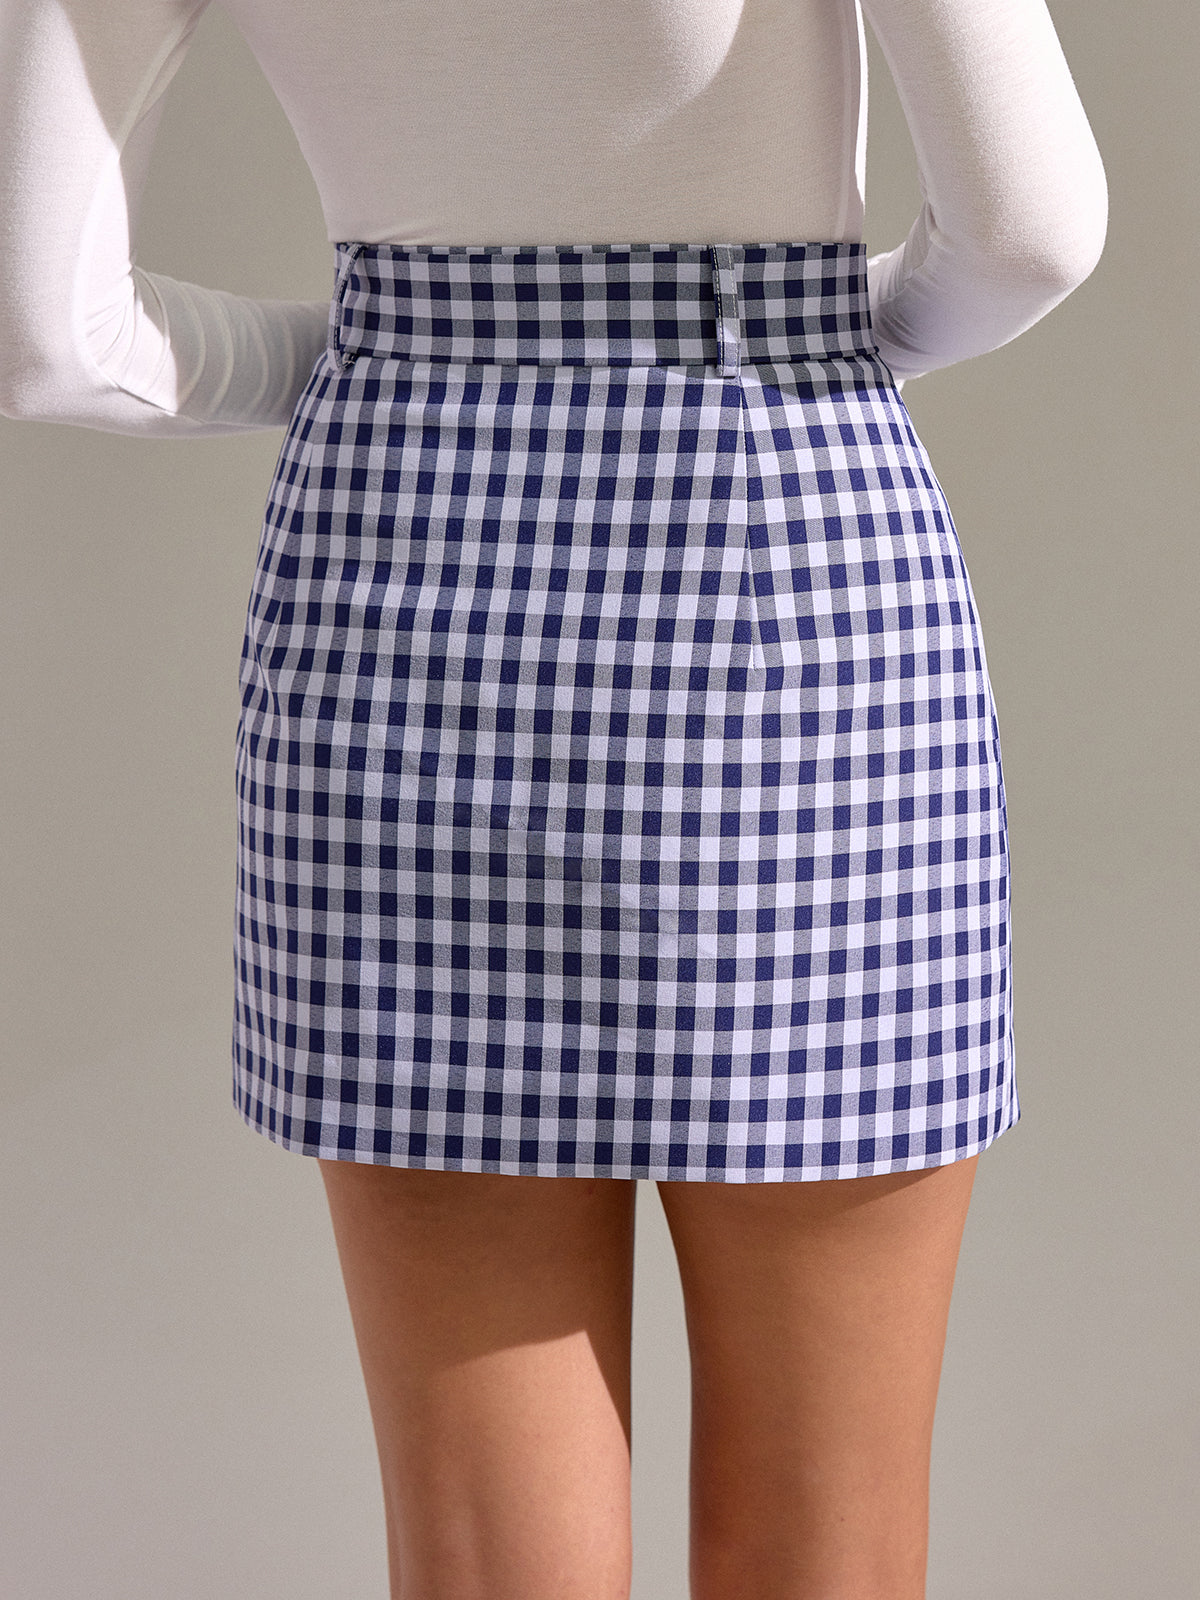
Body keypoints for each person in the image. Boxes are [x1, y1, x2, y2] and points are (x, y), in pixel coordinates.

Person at [0, 1, 1106, 1596]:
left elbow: (45, 331)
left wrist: (393, 357)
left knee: (489, 1568)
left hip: (392, 591)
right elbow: (1031, 232)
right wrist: (801, 336)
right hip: (789, 579)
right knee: (832, 1549)